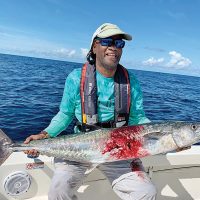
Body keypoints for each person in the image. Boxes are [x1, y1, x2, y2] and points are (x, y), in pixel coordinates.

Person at [24, 23, 157, 200]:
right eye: (107, 42)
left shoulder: (131, 81)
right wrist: (45, 134)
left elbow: (138, 117)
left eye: (119, 44)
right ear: (94, 46)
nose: (113, 48)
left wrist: (163, 138)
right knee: (58, 191)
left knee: (146, 192)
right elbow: (65, 115)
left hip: (118, 150)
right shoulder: (75, 77)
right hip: (80, 149)